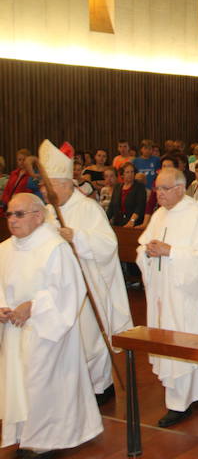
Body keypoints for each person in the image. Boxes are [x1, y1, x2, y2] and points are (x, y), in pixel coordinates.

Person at [0, 193, 103, 456]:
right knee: (18, 383)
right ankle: (24, 434)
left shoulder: (54, 248)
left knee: (41, 383)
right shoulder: (5, 249)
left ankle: (46, 440)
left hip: (46, 331)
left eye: (19, 214)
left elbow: (69, 291)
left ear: (37, 216)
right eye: (9, 213)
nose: (12, 219)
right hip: (13, 330)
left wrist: (32, 306)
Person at [38, 140, 133, 406]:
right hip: (58, 290)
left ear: (65, 185)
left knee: (90, 336)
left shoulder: (87, 208)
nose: (43, 192)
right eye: (42, 186)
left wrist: (77, 237)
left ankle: (101, 387)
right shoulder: (47, 212)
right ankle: (73, 386)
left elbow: (108, 244)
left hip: (87, 284)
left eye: (47, 186)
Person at [137, 168, 198, 427]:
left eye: (164, 189)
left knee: (182, 339)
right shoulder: (159, 215)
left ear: (180, 189)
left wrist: (171, 252)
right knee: (172, 338)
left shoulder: (195, 216)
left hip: (185, 293)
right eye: (157, 188)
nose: (159, 194)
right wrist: (146, 252)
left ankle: (179, 403)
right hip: (161, 291)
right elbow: (142, 245)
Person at [106, 162, 147, 227]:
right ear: (122, 174)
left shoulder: (140, 187)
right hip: (118, 223)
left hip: (134, 224)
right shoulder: (117, 187)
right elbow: (111, 207)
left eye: (132, 172)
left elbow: (140, 207)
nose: (130, 174)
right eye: (127, 172)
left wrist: (132, 221)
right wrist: (105, 220)